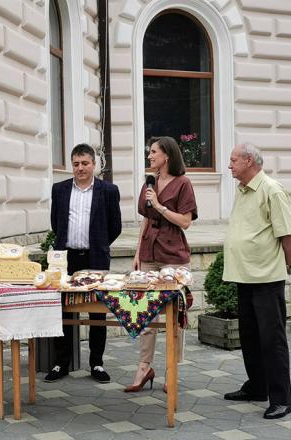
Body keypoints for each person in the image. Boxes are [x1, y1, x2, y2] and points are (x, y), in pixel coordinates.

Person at [223, 143, 291, 420]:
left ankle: (281, 399)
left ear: (249, 161)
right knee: (250, 337)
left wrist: (287, 265)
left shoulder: (272, 190)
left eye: (233, 160)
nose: (229, 165)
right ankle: (257, 387)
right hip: (244, 276)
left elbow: (290, 235)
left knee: (272, 340)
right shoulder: (242, 190)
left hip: (266, 278)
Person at [125, 136, 197, 393]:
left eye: (153, 152)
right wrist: (137, 252)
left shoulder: (183, 183)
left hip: (173, 254)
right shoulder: (150, 181)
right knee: (144, 313)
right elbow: (146, 218)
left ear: (167, 155)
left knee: (175, 317)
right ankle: (144, 366)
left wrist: (159, 205)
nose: (149, 156)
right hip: (148, 252)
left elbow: (186, 221)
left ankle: (171, 370)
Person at [46, 143, 122, 383]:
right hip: (65, 259)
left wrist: (98, 243)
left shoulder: (108, 191)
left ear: (94, 165)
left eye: (85, 163)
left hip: (95, 257)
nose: (80, 168)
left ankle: (97, 364)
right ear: (72, 165)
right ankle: (61, 362)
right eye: (76, 164)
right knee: (63, 309)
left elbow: (115, 226)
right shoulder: (59, 190)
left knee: (97, 312)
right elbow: (56, 224)